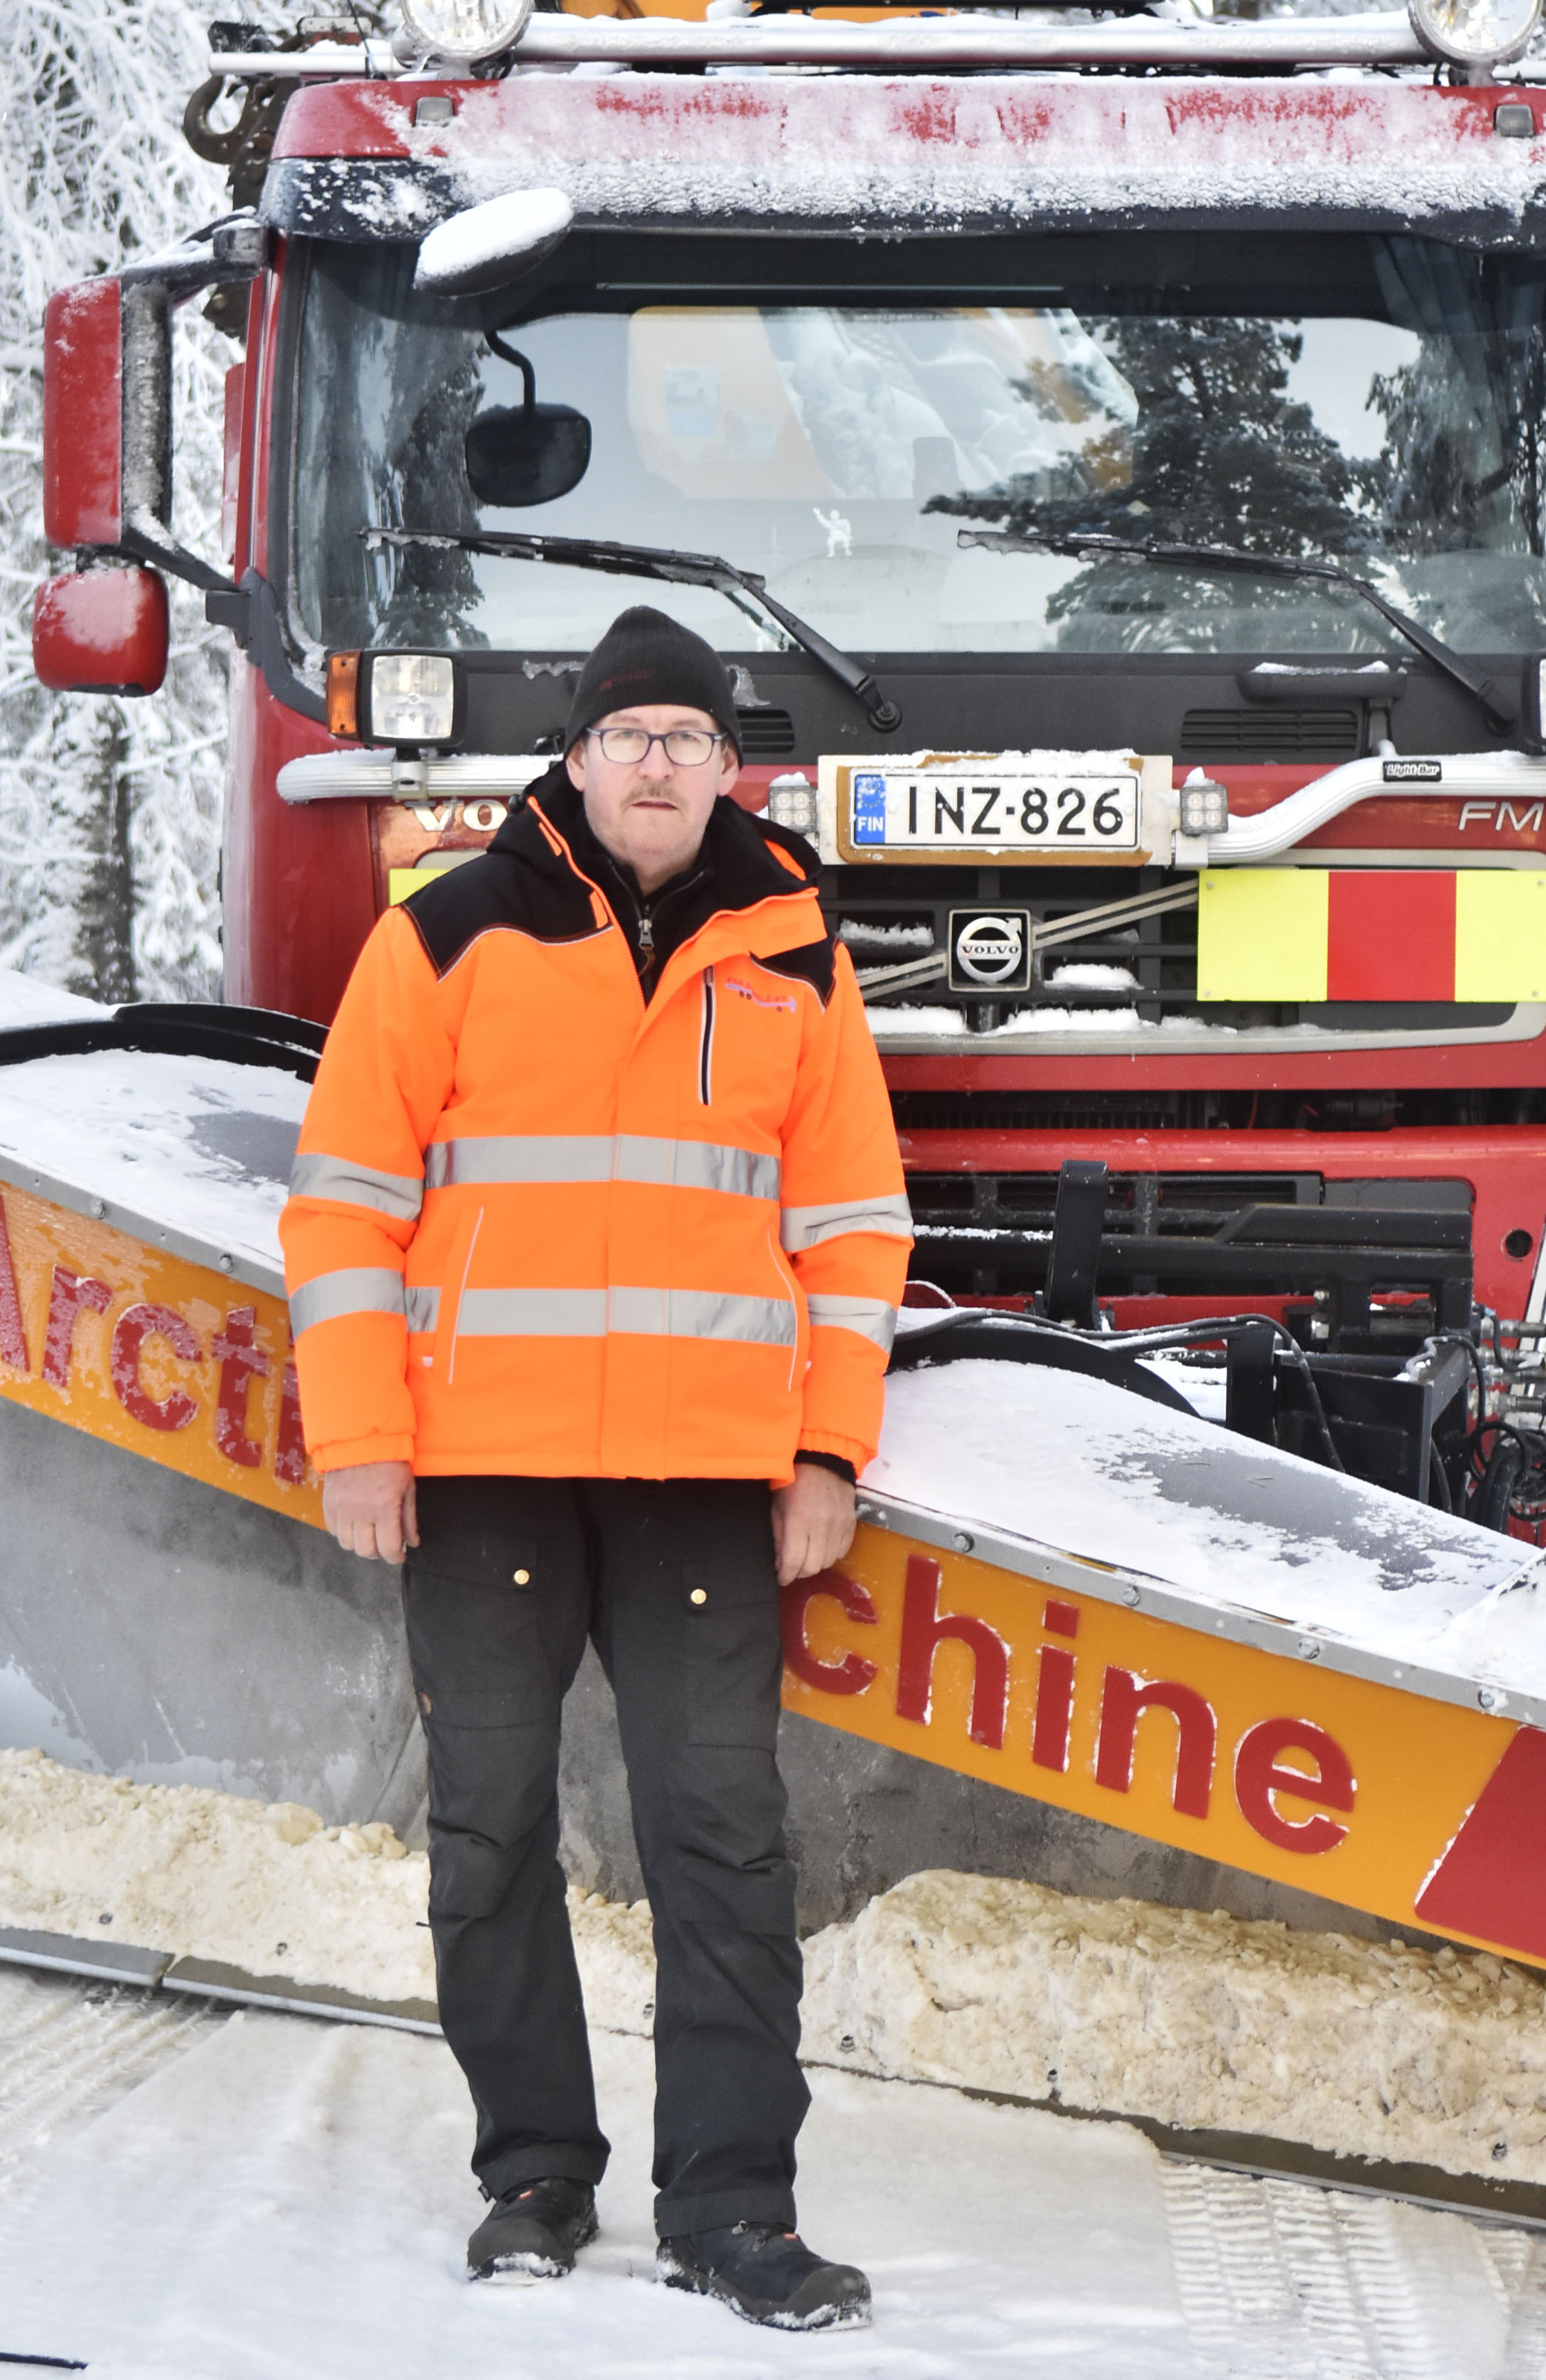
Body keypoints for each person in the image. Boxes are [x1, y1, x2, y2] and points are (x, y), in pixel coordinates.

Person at [280, 604, 912, 2327]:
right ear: (573, 757)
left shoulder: (794, 951)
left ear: (729, 766)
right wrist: (359, 1436)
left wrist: (827, 1448)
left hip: (705, 1475)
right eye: (628, 733)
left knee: (720, 1831)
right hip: (478, 1464)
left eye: (688, 738)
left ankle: (731, 2205)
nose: (657, 763)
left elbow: (855, 1226)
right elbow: (344, 1198)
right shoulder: (451, 929)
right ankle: (536, 2172)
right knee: (487, 1827)